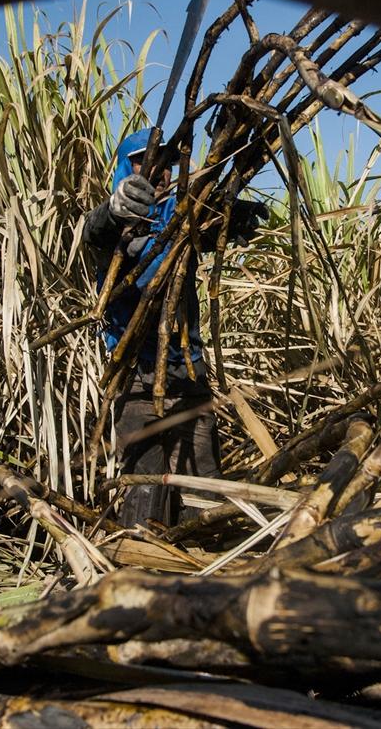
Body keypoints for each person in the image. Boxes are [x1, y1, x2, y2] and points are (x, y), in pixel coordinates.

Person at [82, 128, 267, 528]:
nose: (159, 170)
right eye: (144, 161)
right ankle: (142, 555)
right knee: (144, 489)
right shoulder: (114, 221)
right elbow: (93, 230)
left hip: (187, 370)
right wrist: (115, 211)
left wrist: (232, 214)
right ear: (125, 168)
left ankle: (202, 554)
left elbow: (210, 224)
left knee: (204, 491)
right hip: (136, 374)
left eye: (167, 162)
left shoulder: (181, 216)